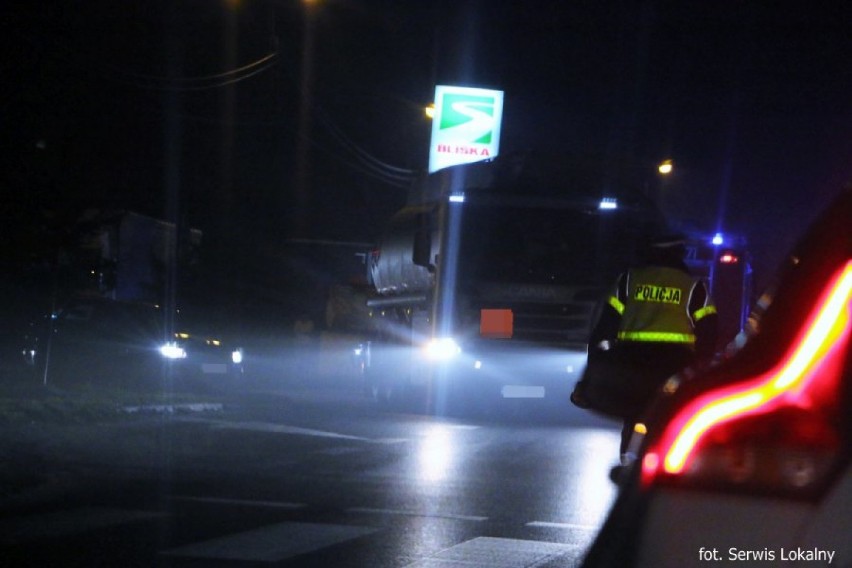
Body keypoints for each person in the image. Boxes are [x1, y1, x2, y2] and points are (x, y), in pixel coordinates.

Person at [571, 234, 719, 464]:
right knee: (672, 421)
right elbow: (710, 334)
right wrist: (700, 372)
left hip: (632, 363)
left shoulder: (629, 280)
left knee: (633, 417)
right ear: (679, 255)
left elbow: (604, 330)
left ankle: (628, 470)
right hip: (674, 367)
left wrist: (591, 376)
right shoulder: (693, 287)